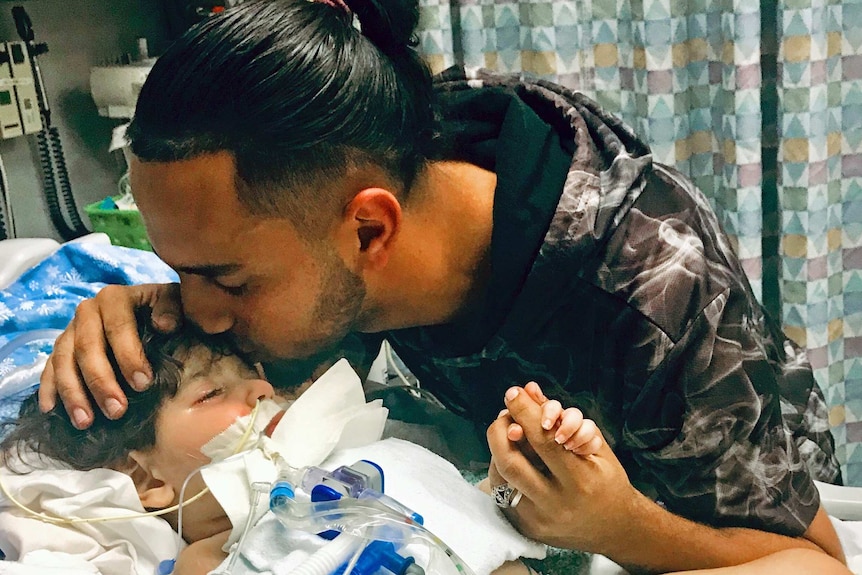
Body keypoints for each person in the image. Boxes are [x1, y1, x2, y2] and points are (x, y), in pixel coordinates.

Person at [36, 0, 849, 572]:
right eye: (180, 272)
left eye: (224, 279)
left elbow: (813, 560)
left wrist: (619, 525)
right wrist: (139, 314)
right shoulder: (373, 142)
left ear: (370, 231)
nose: (202, 313)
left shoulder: (649, 287)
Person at [1, 311, 599, 575]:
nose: (259, 390)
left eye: (253, 374)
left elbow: (484, 516)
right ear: (148, 481)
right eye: (213, 395)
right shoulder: (206, 559)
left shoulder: (384, 450)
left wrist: (518, 475)